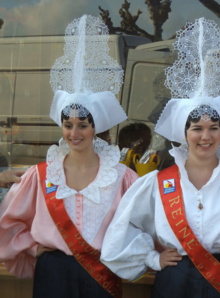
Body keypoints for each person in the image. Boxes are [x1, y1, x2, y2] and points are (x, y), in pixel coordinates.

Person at [101, 18, 220, 297]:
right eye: (197, 128)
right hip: (175, 279)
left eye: (213, 128)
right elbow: (124, 228)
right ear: (184, 133)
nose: (205, 136)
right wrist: (152, 259)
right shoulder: (157, 182)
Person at [0, 15, 139, 298]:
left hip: (102, 272)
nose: (74, 133)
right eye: (68, 125)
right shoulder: (40, 175)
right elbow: (8, 223)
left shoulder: (122, 177)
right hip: (52, 273)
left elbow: (146, 224)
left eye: (83, 125)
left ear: (95, 127)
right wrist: (35, 247)